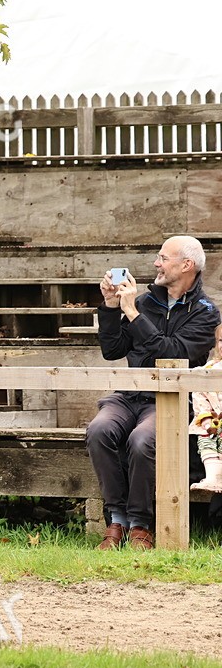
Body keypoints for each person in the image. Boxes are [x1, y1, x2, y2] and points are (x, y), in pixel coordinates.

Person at [86, 236, 219, 550]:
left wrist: (132, 313)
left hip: (170, 401)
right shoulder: (147, 301)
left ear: (185, 265)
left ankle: (141, 525)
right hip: (130, 394)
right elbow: (113, 349)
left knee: (143, 439)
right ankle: (116, 520)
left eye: (163, 257)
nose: (156, 264)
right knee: (98, 429)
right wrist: (109, 307)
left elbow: (172, 355)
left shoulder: (206, 312)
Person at [188, 323, 222, 494]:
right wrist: (207, 419)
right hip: (213, 421)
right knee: (205, 440)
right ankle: (213, 477)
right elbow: (199, 393)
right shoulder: (208, 369)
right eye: (221, 340)